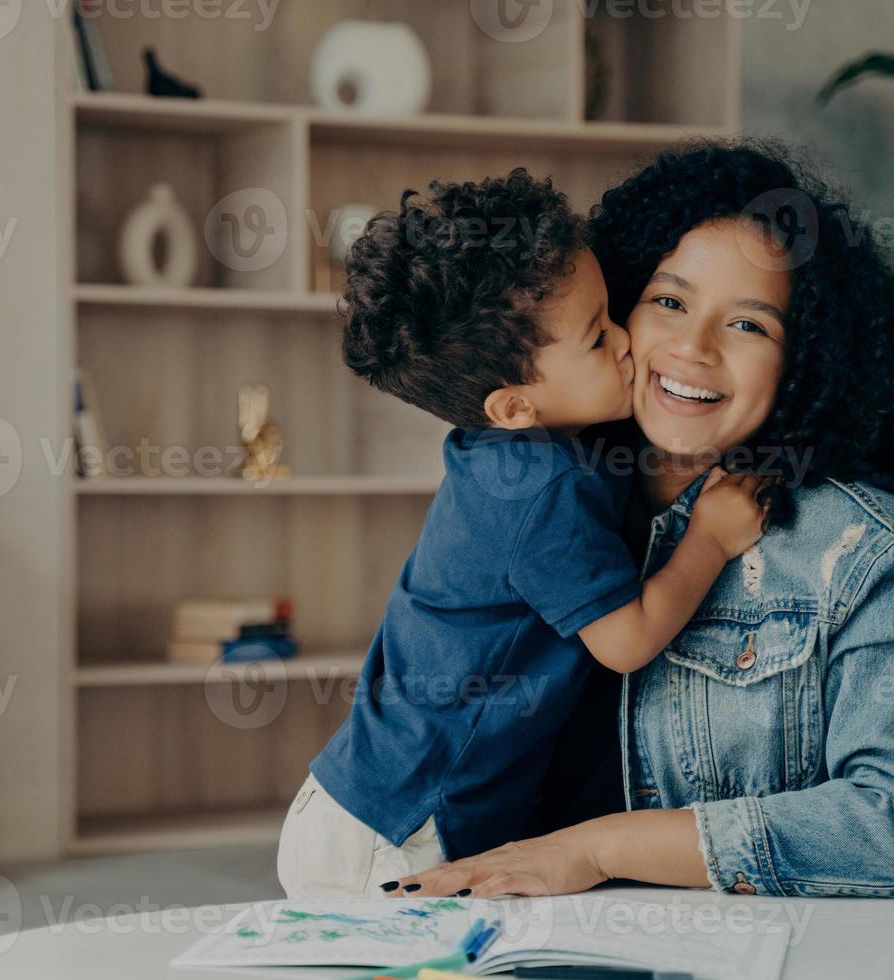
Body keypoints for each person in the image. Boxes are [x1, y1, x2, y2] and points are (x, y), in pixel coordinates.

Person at [384, 142, 894, 900]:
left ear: (807, 357)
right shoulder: (544, 497)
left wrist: (594, 850)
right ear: (613, 310)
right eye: (669, 302)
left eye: (750, 326)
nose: (692, 348)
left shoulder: (866, 554)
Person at [276, 169, 768, 899]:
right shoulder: (542, 489)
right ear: (513, 406)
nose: (629, 339)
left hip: (366, 803)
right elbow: (627, 642)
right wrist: (712, 537)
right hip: (400, 833)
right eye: (598, 338)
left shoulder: (513, 455)